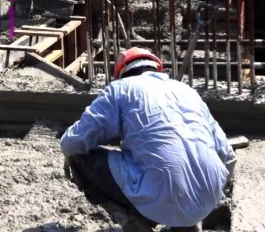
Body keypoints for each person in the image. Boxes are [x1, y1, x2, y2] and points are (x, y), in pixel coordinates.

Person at [60, 47, 237, 232]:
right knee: (176, 167)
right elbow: (229, 157)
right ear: (157, 68)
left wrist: (69, 152)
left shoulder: (120, 89)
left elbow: (73, 142)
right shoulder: (188, 91)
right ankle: (186, 225)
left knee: (79, 158)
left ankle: (134, 223)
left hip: (160, 197)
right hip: (208, 197)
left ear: (121, 73)